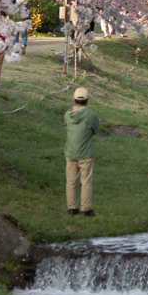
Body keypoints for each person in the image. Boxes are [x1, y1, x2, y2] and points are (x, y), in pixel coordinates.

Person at [65, 87, 100, 217]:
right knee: (86, 181)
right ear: (87, 101)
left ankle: (72, 208)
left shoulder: (67, 114)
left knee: (71, 181)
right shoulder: (91, 115)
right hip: (85, 153)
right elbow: (95, 130)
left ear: (74, 100)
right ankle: (86, 209)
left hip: (70, 152)